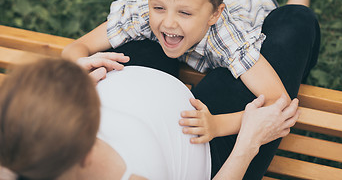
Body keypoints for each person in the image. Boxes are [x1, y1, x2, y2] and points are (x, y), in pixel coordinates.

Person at [61, 0, 321, 178]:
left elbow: (278, 100)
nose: (168, 21)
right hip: (209, 27)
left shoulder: (230, 36)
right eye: (158, 7)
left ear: (215, 15)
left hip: (248, 15)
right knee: (293, 22)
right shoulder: (142, 12)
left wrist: (217, 125)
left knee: (282, 18)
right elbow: (79, 46)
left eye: (183, 13)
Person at [0, 58, 300, 179]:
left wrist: (64, 79)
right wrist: (249, 142)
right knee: (296, 23)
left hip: (153, 86)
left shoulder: (15, 152)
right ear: (86, 154)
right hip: (212, 151)